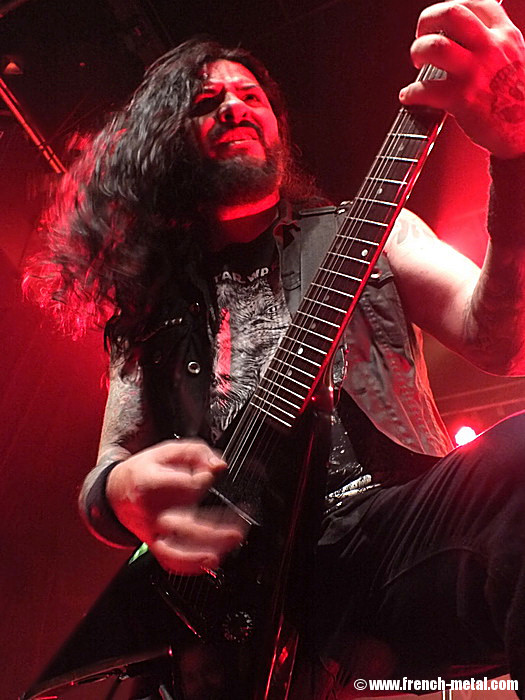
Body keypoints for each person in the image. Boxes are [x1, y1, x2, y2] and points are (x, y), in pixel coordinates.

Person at [25, 0, 525, 698]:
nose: (234, 106)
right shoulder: (151, 309)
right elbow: (109, 468)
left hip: (394, 535)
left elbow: (500, 341)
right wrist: (117, 491)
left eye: (250, 96)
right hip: (236, 601)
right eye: (207, 103)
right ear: (169, 143)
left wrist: (514, 157)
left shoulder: (375, 230)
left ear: (277, 128)